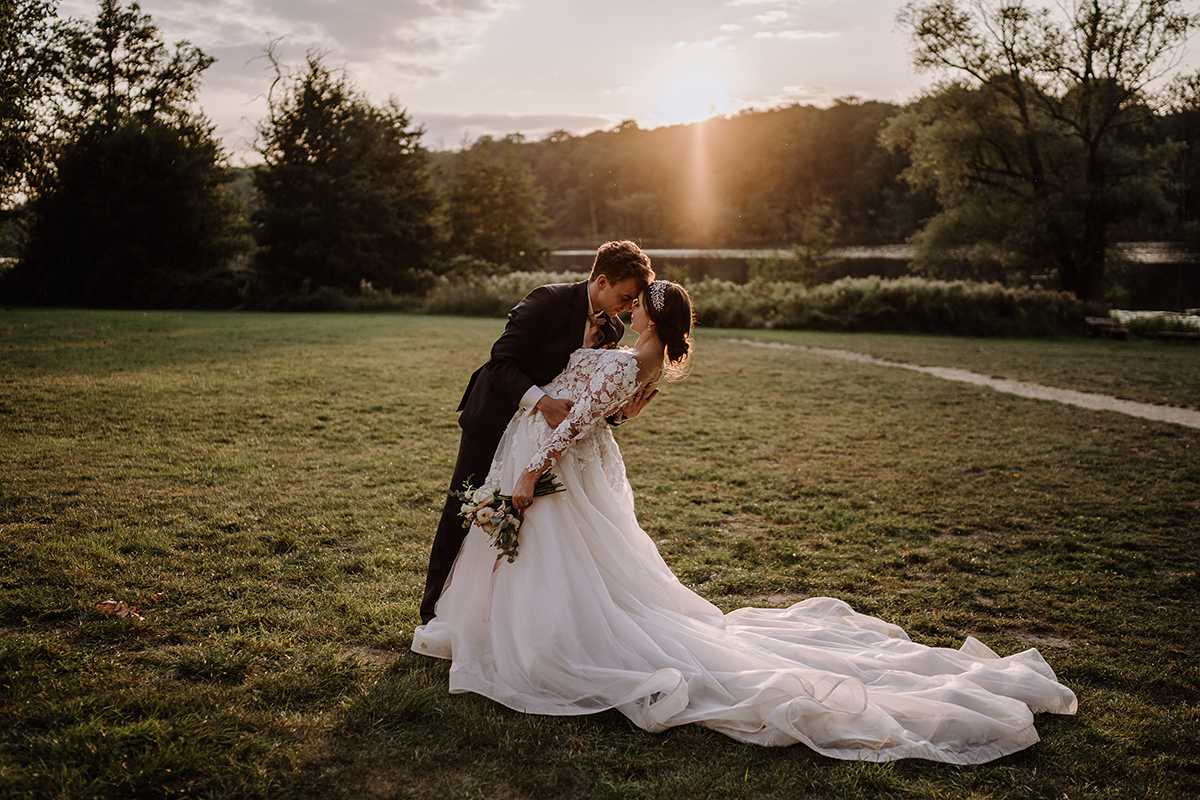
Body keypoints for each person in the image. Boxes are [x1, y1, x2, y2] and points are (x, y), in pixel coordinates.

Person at [412, 279, 1078, 763]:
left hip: (553, 462)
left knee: (555, 563)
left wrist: (530, 472)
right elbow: (606, 411)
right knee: (565, 562)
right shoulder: (634, 360)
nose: (631, 301)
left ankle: (544, 644)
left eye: (640, 299)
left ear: (648, 314)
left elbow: (579, 419)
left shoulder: (623, 361)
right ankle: (506, 626)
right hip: (568, 462)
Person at [419, 241, 656, 625]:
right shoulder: (546, 301)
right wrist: (543, 402)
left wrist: (621, 415)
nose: (628, 308)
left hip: (541, 440)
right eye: (625, 297)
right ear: (600, 280)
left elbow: (588, 399)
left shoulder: (610, 327)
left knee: (526, 524)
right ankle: (434, 611)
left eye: (634, 302)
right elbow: (501, 363)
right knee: (465, 508)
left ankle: (498, 614)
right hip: (495, 417)